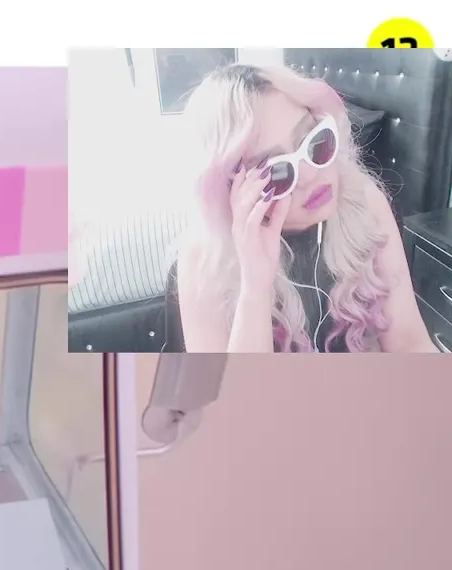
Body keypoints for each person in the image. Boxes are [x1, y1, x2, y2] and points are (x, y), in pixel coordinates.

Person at [169, 63, 438, 353]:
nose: (310, 175)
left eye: (315, 142)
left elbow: (411, 343)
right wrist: (255, 289)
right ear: (229, 192)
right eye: (275, 171)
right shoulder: (203, 262)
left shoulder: (365, 201)